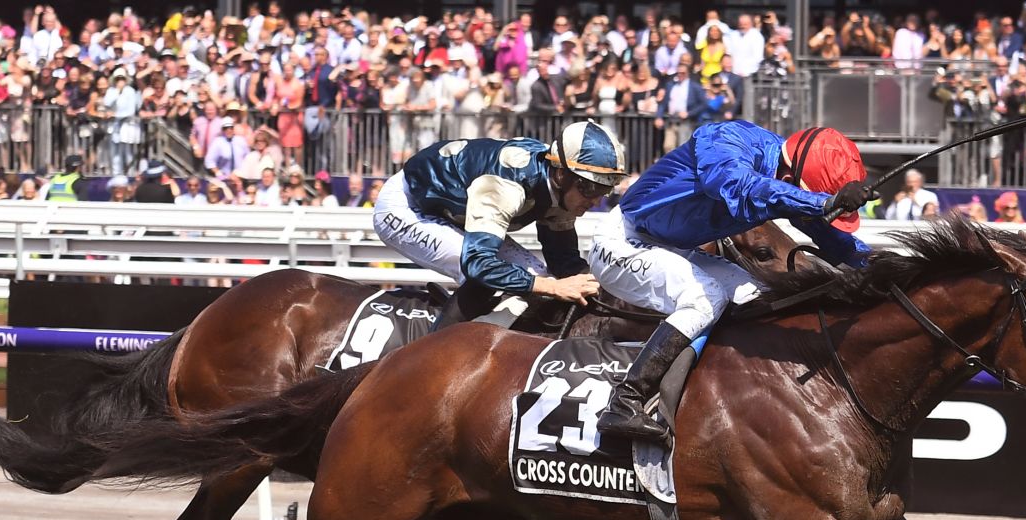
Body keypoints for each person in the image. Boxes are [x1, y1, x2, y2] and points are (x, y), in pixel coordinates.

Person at [589, 122, 875, 442]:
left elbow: (821, 227)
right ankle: (626, 401)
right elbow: (740, 188)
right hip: (622, 241)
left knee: (761, 296)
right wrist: (821, 203)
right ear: (788, 178)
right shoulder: (727, 139)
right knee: (705, 296)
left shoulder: (787, 172)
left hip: (673, 247)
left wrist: (870, 263)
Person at [373, 120, 622, 328]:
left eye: (605, 189)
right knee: (494, 279)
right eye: (590, 187)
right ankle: (432, 357)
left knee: (541, 280)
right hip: (408, 207)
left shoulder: (562, 183)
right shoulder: (508, 186)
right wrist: (553, 287)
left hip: (455, 208)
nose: (596, 199)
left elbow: (564, 261)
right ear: (560, 174)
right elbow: (478, 265)